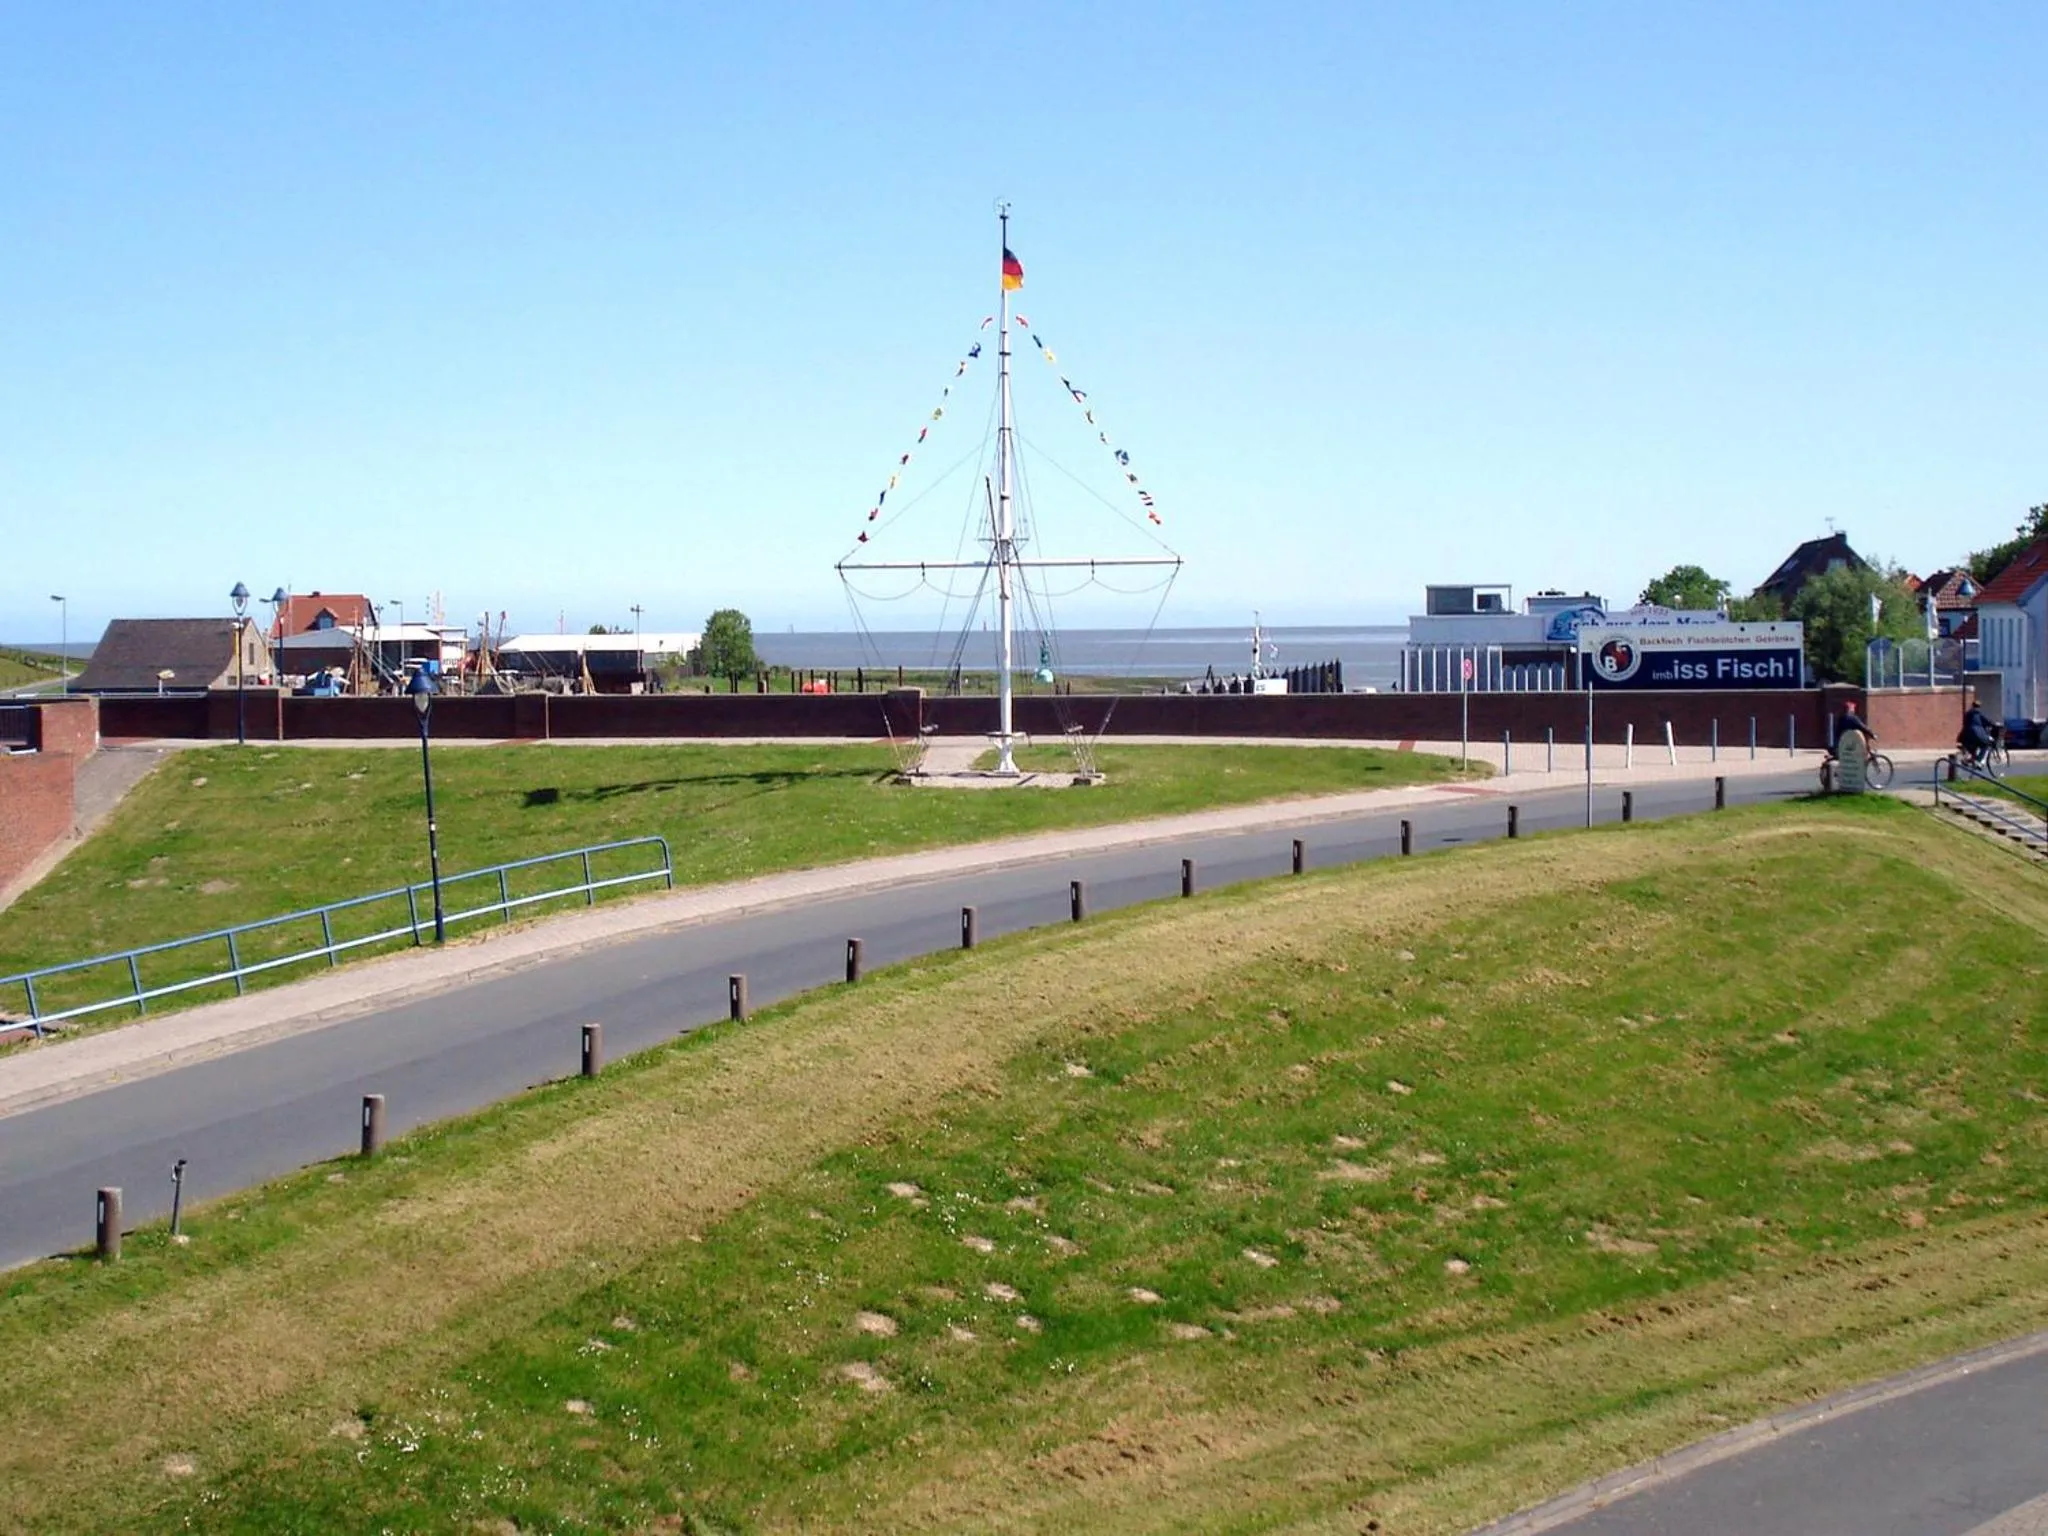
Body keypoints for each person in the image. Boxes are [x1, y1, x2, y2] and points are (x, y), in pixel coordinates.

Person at [1959, 697, 1997, 765]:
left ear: (1972, 705)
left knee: (1973, 747)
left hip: (1966, 736)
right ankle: (1978, 761)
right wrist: (1994, 724)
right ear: (1979, 707)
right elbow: (1987, 721)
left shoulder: (1967, 714)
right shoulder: (1978, 714)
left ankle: (1971, 759)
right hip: (1976, 734)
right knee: (1985, 744)